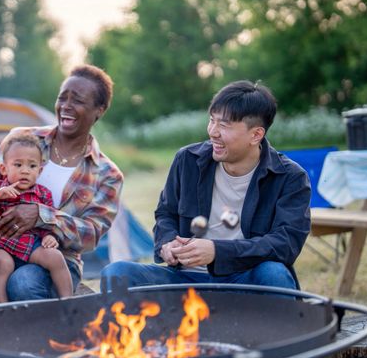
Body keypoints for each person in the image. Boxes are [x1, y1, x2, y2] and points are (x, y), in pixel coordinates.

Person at [0, 64, 123, 358]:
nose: (66, 105)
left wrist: (43, 216)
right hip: (0, 243)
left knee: (24, 284)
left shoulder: (107, 174)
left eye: (77, 100)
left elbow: (92, 234)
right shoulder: (22, 136)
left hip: (54, 256)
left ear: (98, 111)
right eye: (62, 96)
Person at [100, 80, 311, 290]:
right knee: (117, 273)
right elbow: (166, 214)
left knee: (274, 275)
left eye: (224, 125)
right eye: (212, 120)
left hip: (246, 280)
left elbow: (286, 244)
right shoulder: (187, 160)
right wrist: (167, 243)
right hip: (186, 280)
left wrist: (218, 252)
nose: (213, 132)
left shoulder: (289, 177)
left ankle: (270, 322)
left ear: (256, 135)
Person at [0, 133, 72, 303]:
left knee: (55, 257)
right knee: (1, 263)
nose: (25, 171)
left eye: (32, 166)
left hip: (31, 244)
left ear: (39, 170)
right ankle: (0, 306)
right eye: (18, 165)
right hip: (2, 242)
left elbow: (50, 221)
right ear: (4, 169)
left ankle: (69, 301)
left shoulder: (43, 194)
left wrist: (50, 236)